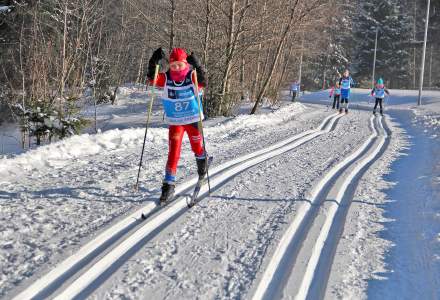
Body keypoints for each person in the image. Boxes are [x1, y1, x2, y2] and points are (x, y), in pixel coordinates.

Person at [146, 47, 208, 203]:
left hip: (193, 120)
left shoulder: (192, 75)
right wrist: (153, 61)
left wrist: (198, 66)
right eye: (173, 65)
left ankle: (202, 162)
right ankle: (168, 184)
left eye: (179, 65)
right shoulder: (166, 78)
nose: (176, 68)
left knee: (197, 147)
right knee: (173, 152)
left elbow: (203, 82)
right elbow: (152, 78)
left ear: (185, 63)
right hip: (176, 121)